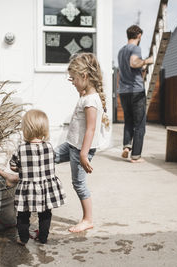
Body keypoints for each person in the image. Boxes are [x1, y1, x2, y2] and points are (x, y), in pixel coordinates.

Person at [54, 52, 108, 233]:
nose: (73, 83)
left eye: (74, 79)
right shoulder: (86, 96)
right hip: (71, 144)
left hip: (79, 150)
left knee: (79, 183)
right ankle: (19, 175)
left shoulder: (91, 101)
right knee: (49, 156)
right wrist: (80, 88)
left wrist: (84, 153)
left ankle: (88, 219)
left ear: (84, 77)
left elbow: (91, 129)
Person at [0, 109, 66, 245]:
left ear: (26, 129)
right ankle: (43, 238)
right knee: (45, 214)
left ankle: (23, 239)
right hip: (46, 188)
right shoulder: (49, 146)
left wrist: (19, 168)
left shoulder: (21, 148)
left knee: (23, 215)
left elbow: (13, 165)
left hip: (27, 189)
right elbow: (52, 161)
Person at [117, 25, 153, 163]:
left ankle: (127, 146)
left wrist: (141, 66)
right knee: (139, 124)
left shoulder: (121, 51)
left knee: (128, 121)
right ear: (139, 35)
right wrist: (147, 61)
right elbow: (133, 63)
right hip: (136, 90)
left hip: (123, 91)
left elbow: (130, 66)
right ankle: (136, 156)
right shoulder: (135, 48)